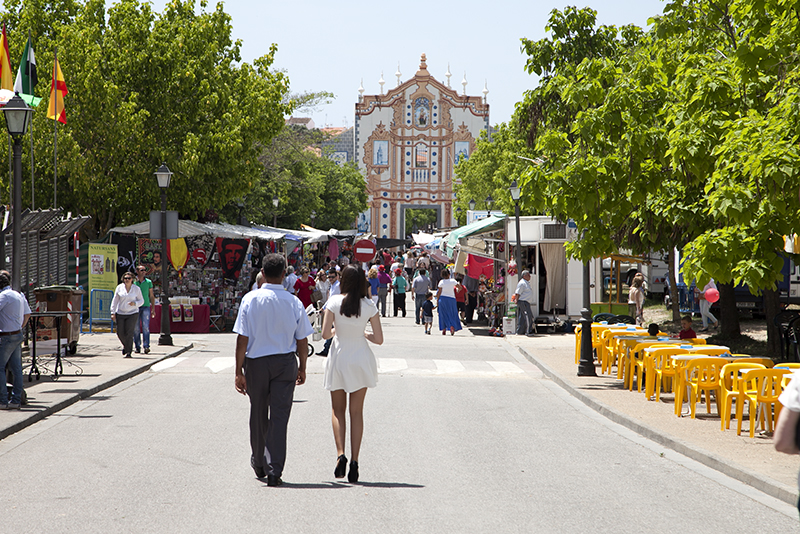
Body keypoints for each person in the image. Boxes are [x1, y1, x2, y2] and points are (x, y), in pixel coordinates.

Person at [234, 254, 312, 486]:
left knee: (258, 412)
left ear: (263, 274)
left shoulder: (250, 299)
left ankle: (259, 461)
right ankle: (275, 468)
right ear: (284, 275)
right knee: (279, 417)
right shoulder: (294, 302)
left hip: (256, 362)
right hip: (285, 362)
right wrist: (303, 367)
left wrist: (238, 371)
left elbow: (242, 339)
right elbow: (302, 341)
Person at [321, 265, 384, 483]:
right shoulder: (369, 305)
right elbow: (379, 339)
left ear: (343, 281)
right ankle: (355, 461)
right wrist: (364, 333)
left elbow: (324, 334)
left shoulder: (334, 302)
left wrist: (337, 330)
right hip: (360, 357)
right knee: (356, 412)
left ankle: (341, 455)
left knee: (338, 410)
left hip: (339, 355)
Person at [0, 271, 30, 409]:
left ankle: (3, 401)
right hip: (17, 333)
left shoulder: (4, 296)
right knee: (17, 369)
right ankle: (16, 400)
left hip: (7, 335)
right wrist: (19, 327)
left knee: (0, 367)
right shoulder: (17, 294)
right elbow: (27, 313)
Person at [110, 272, 144, 358]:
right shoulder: (119, 288)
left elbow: (141, 301)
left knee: (129, 332)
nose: (127, 280)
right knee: (120, 332)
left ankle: (128, 351)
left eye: (129, 278)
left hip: (132, 313)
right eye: (125, 278)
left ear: (132, 279)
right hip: (121, 312)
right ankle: (126, 346)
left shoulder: (136, 289)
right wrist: (112, 312)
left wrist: (135, 303)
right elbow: (115, 300)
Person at [316, 270, 341, 357]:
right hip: (332, 310)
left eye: (332, 277)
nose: (330, 279)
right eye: (329, 277)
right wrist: (323, 308)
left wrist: (324, 308)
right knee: (332, 330)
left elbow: (334, 299)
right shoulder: (332, 286)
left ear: (337, 276)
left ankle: (327, 349)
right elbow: (330, 299)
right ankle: (327, 349)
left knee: (332, 330)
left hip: (336, 311)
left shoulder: (338, 285)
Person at [133, 265, 155, 354]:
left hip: (146, 306)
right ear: (137, 271)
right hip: (136, 307)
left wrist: (153, 308)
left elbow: (151, 295)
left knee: (146, 327)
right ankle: (137, 346)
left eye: (145, 270)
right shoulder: (134, 282)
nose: (143, 272)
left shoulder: (148, 282)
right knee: (136, 328)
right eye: (141, 270)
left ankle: (146, 346)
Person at [436, 269, 462, 336]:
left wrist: (437, 300)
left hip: (443, 299)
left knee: (443, 314)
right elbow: (460, 288)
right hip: (451, 299)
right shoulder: (453, 281)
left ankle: (444, 329)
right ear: (449, 274)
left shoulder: (441, 282)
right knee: (452, 313)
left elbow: (439, 292)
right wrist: (457, 290)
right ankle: (451, 326)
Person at [514, 270, 535, 335]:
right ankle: (528, 331)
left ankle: (520, 331)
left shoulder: (526, 283)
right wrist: (516, 300)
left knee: (522, 317)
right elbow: (518, 292)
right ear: (524, 276)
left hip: (526, 302)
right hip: (523, 302)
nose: (530, 276)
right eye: (528, 275)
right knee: (528, 316)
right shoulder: (522, 283)